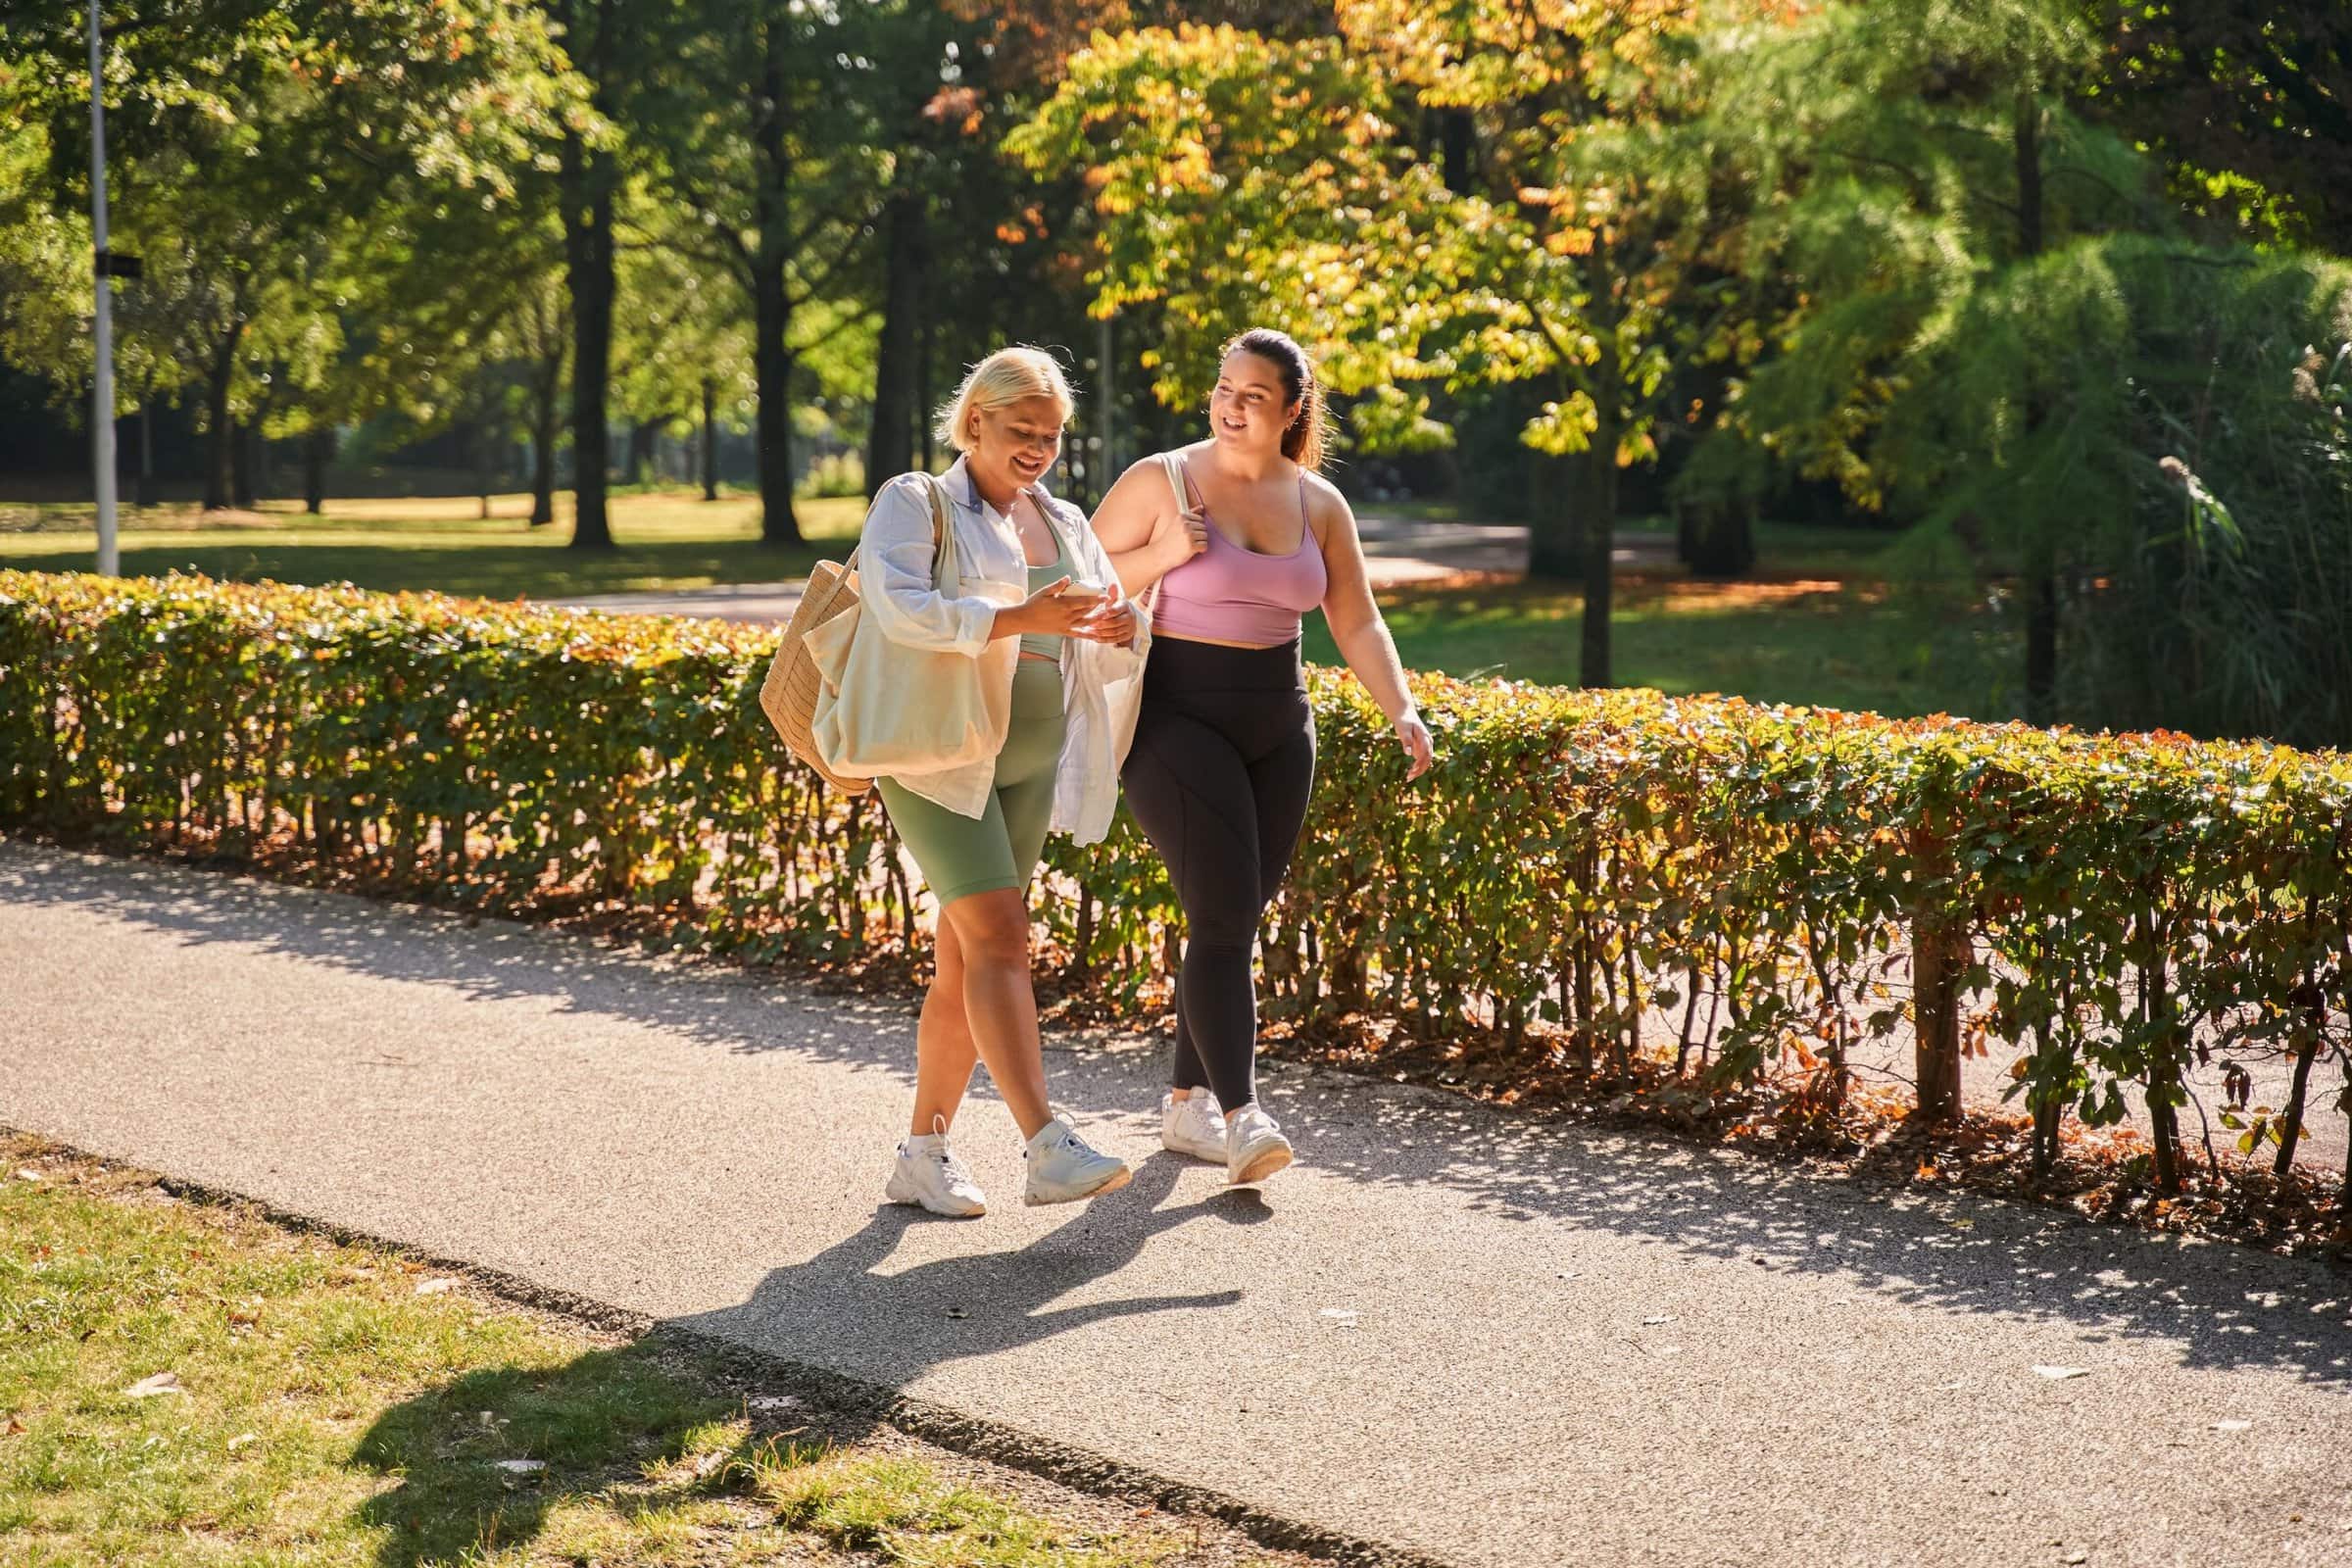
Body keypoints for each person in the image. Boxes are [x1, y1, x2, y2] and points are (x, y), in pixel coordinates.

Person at [1092, 327, 1435, 1186]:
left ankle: (1184, 1106)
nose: (1231, 404)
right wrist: (1163, 554)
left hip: (1280, 726)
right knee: (1221, 914)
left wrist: (1401, 705)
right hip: (1173, 717)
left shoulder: (1319, 504)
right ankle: (1243, 1116)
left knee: (1232, 917)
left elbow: (1356, 617)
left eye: (1253, 395)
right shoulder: (1160, 480)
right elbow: (1081, 573)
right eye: (1223, 387)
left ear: (1291, 411)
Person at [863, 346, 1149, 1216]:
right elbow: (896, 602)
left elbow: (1104, 619)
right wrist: (1021, 616)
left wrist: (1123, 621)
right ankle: (1046, 1144)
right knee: (999, 935)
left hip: (1029, 758)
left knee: (964, 962)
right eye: (1021, 430)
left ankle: (923, 1153)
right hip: (939, 757)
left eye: (1052, 435)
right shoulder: (918, 501)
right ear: (975, 420)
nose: (1037, 448)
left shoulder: (1060, 518)